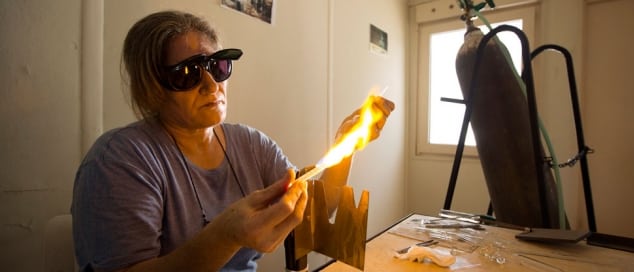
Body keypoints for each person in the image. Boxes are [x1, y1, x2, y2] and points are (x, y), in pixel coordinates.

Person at [71, 10, 395, 272]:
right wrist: (225, 236)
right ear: (153, 88)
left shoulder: (251, 145)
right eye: (188, 73)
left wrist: (348, 144)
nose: (211, 85)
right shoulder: (122, 161)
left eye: (218, 66)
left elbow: (313, 210)